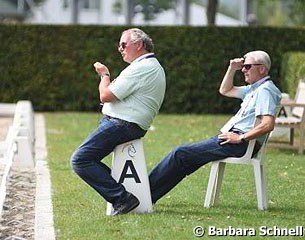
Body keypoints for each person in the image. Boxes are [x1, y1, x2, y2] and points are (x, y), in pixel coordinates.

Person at [149, 50, 281, 204]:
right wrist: (232, 68)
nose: (243, 70)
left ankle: (142, 193)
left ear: (262, 69)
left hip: (239, 144)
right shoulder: (254, 89)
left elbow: (268, 124)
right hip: (232, 140)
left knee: (180, 153)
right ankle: (148, 196)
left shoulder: (265, 90)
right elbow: (225, 90)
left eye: (247, 66)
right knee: (185, 159)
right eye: (243, 66)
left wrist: (240, 138)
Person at [71, 28, 166, 215]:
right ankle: (122, 195)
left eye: (123, 44)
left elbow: (105, 95)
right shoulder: (146, 66)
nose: (120, 49)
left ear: (139, 45)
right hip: (125, 123)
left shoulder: (142, 67)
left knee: (80, 160)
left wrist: (104, 75)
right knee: (84, 159)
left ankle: (123, 198)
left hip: (123, 124)